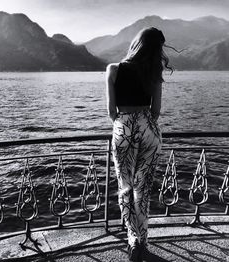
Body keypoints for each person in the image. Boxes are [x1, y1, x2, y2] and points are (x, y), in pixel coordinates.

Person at [106, 27, 172, 262]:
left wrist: (127, 125)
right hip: (149, 131)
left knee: (126, 186)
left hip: (123, 128)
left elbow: (111, 112)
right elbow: (156, 111)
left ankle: (133, 239)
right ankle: (142, 238)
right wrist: (142, 124)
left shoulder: (113, 70)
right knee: (142, 189)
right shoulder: (154, 72)